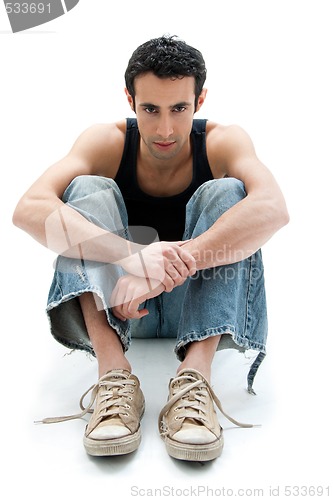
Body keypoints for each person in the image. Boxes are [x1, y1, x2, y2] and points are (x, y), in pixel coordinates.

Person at [12, 35, 289, 462]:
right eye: (150, 110)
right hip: (116, 304)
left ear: (200, 100)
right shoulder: (105, 141)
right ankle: (113, 377)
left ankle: (195, 378)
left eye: (179, 109)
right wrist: (133, 257)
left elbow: (273, 208)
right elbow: (30, 208)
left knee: (231, 192)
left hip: (200, 309)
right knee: (85, 188)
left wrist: (170, 265)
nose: (164, 129)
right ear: (130, 99)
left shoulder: (222, 141)